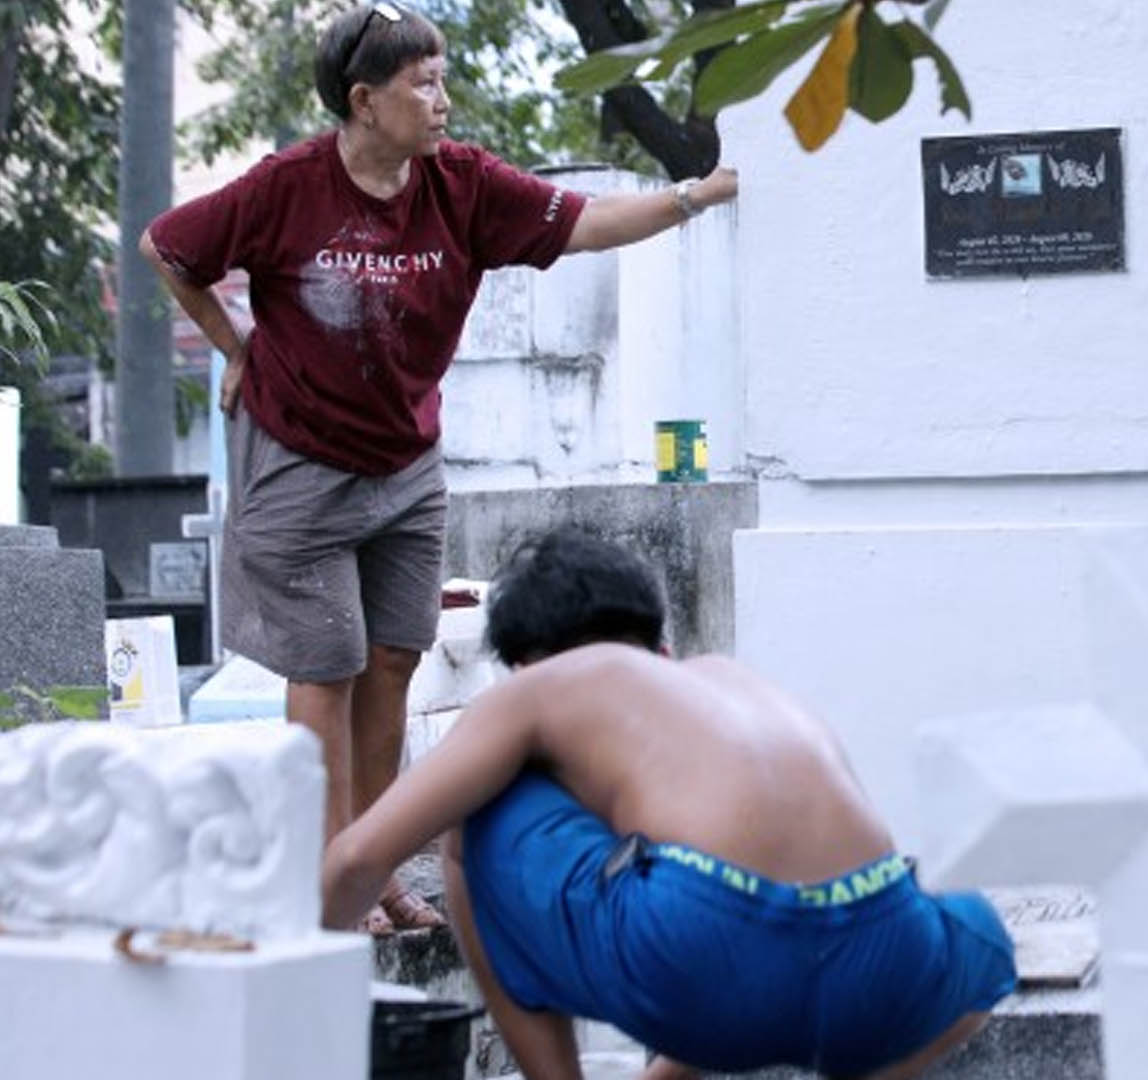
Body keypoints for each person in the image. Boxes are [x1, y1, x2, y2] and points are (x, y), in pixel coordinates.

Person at [140, 2, 740, 932]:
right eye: (423, 84)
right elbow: (168, 245)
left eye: (442, 79)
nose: (443, 100)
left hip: (406, 464)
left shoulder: (460, 184)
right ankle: (326, 884)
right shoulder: (288, 187)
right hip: (299, 459)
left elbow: (583, 223)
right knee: (326, 667)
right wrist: (235, 346)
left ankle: (376, 869)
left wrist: (695, 194)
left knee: (392, 660)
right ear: (364, 101)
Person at [320, 529, 1017, 1080]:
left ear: (526, 665)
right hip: (891, 965)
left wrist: (274, 966)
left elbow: (357, 858)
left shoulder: (534, 691)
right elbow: (781, 910)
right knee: (963, 922)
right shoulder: (732, 683)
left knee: (477, 814)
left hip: (713, 958)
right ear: (662, 648)